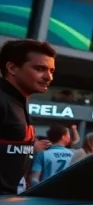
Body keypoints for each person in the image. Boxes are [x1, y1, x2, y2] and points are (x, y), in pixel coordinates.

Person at [0, 39, 56, 196]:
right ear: (12, 68)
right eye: (40, 69)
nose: (49, 77)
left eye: (52, 71)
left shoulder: (20, 102)